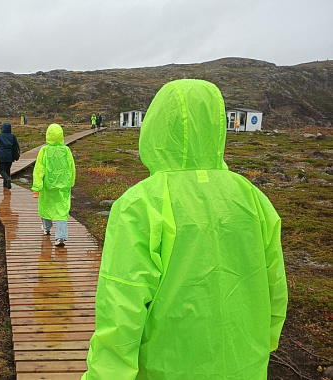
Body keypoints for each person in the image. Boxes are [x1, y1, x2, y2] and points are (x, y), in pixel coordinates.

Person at [82, 79, 287, 379]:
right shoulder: (253, 199)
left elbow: (121, 312)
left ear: (156, 127)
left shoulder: (140, 205)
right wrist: (261, 344)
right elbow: (275, 288)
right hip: (245, 364)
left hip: (166, 369)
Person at [31, 124, 76, 247]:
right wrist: (71, 181)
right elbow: (72, 167)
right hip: (63, 187)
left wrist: (37, 185)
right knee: (62, 211)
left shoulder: (44, 150)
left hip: (48, 185)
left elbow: (39, 169)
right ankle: (60, 237)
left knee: (46, 206)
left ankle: (46, 228)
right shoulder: (66, 150)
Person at [0, 122, 19, 189]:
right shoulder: (12, 136)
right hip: (10, 155)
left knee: (2, 170)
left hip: (2, 155)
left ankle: (7, 179)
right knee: (7, 170)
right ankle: (6, 185)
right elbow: (16, 146)